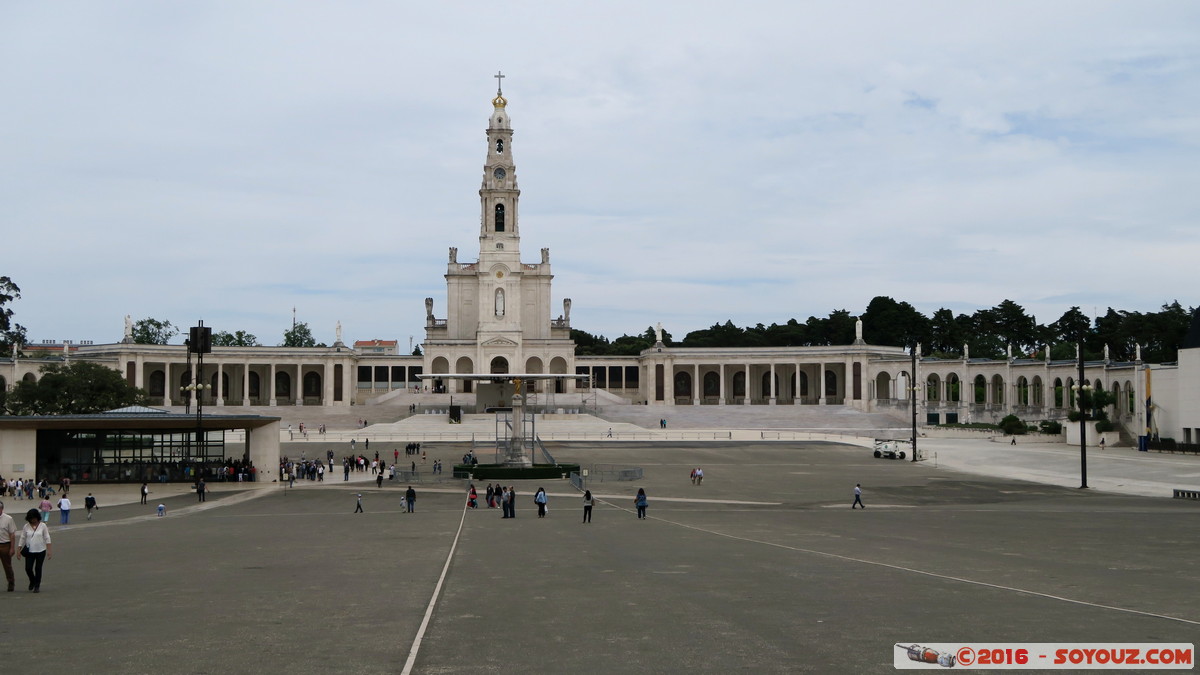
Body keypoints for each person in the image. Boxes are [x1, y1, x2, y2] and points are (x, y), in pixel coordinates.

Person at [16, 509, 52, 592]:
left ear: (37, 517)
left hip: (41, 550)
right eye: (31, 518)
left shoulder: (43, 525)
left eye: (34, 518)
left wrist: (49, 550)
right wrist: (19, 549)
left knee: (38, 568)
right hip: (29, 551)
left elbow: (47, 537)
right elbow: (22, 537)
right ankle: (32, 580)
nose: (33, 520)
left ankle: (37, 586)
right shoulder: (26, 526)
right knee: (28, 568)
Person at [0, 501, 17, 592]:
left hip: (5, 544)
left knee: (7, 565)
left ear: (1, 509)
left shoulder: (8, 519)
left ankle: (11, 582)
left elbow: (12, 534)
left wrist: (12, 548)